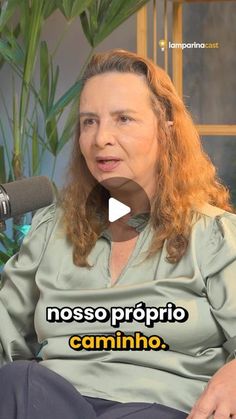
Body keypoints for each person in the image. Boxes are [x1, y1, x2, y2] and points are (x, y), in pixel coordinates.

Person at [0, 48, 236, 419]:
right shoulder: (50, 232)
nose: (101, 138)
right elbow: (4, 337)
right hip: (51, 405)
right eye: (89, 122)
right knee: (16, 381)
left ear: (166, 128)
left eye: (123, 119)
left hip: (158, 408)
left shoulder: (214, 235)